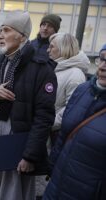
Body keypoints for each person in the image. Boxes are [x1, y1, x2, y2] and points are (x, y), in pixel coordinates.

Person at [0, 10, 57, 200]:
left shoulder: (41, 68)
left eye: (6, 30)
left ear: (21, 37)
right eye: (0, 30)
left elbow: (44, 117)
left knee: (11, 191)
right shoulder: (3, 60)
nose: (0, 35)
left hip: (18, 138)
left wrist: (29, 156)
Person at [43, 44, 106, 200]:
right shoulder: (83, 89)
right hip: (57, 184)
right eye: (102, 59)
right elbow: (64, 135)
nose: (103, 67)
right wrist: (52, 168)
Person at [47, 33, 90, 145]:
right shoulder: (56, 68)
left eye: (52, 46)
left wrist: (47, 123)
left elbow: (71, 109)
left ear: (63, 49)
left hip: (54, 134)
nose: (48, 50)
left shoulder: (75, 74)